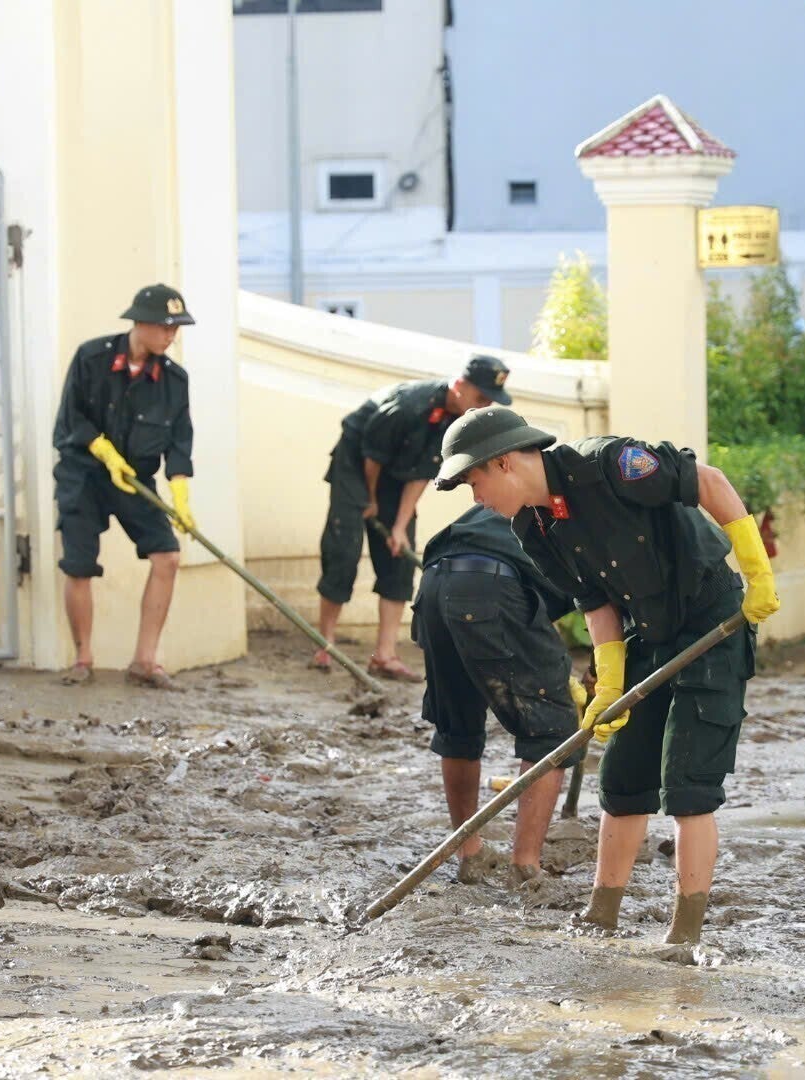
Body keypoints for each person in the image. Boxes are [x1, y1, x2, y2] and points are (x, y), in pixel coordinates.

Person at [434, 406, 780, 945]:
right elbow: (594, 601)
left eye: (474, 482)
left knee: (688, 783)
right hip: (649, 632)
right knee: (621, 780)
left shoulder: (609, 464)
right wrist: (611, 680)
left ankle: (683, 935)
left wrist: (757, 571)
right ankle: (602, 913)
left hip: (712, 619)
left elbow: (709, 483)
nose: (475, 499)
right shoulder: (534, 526)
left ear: (503, 463)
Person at [413, 503, 587, 884]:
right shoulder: (601, 515)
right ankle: (525, 866)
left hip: (435, 584)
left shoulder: (525, 495)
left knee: (455, 724)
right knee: (552, 730)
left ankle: (469, 853)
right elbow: (604, 604)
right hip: (492, 586)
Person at [314, 355, 511, 681]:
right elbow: (372, 455)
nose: (482, 406)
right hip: (357, 464)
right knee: (343, 550)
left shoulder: (457, 421)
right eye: (480, 398)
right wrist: (371, 499)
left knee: (399, 557)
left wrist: (399, 525)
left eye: (489, 401)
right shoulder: (408, 405)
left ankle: (385, 656)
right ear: (459, 386)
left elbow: (422, 473)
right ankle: (326, 645)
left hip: (396, 473)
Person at [52, 283, 197, 689]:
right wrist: (104, 452)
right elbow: (71, 418)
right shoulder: (91, 357)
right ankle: (82, 659)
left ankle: (145, 661)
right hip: (83, 473)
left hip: (136, 480)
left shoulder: (174, 381)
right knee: (79, 566)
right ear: (142, 323)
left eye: (176, 328)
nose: (172, 336)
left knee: (167, 556)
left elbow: (180, 444)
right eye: (166, 328)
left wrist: (181, 498)